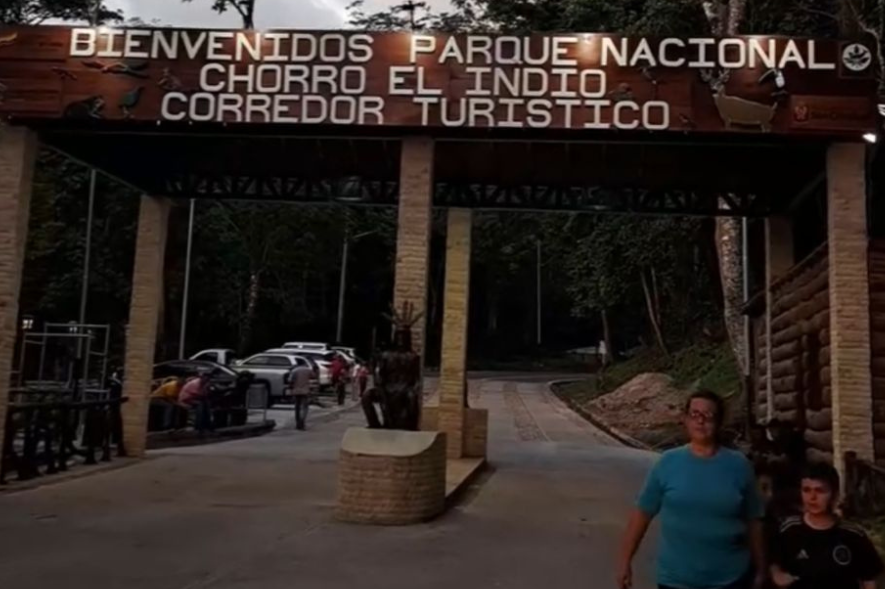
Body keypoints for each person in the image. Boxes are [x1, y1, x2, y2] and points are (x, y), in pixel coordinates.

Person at [617, 390, 766, 589]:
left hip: (731, 578)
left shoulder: (739, 465)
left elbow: (754, 521)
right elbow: (641, 514)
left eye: (708, 415)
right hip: (676, 580)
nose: (700, 421)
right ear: (685, 419)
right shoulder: (668, 463)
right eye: (695, 414)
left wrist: (761, 568)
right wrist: (624, 561)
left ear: (719, 422)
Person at [770, 462, 883, 589]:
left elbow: (869, 579)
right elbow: (773, 563)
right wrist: (777, 576)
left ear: (834, 494)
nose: (812, 497)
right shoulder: (788, 530)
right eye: (806, 490)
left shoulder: (853, 535)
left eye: (820, 491)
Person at [288, 361, 313, 431]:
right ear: (304, 363)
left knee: (297, 407)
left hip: (296, 391)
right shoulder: (308, 370)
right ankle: (302, 421)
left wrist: (290, 389)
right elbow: (313, 376)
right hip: (305, 391)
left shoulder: (294, 370)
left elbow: (290, 381)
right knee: (304, 407)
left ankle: (298, 423)